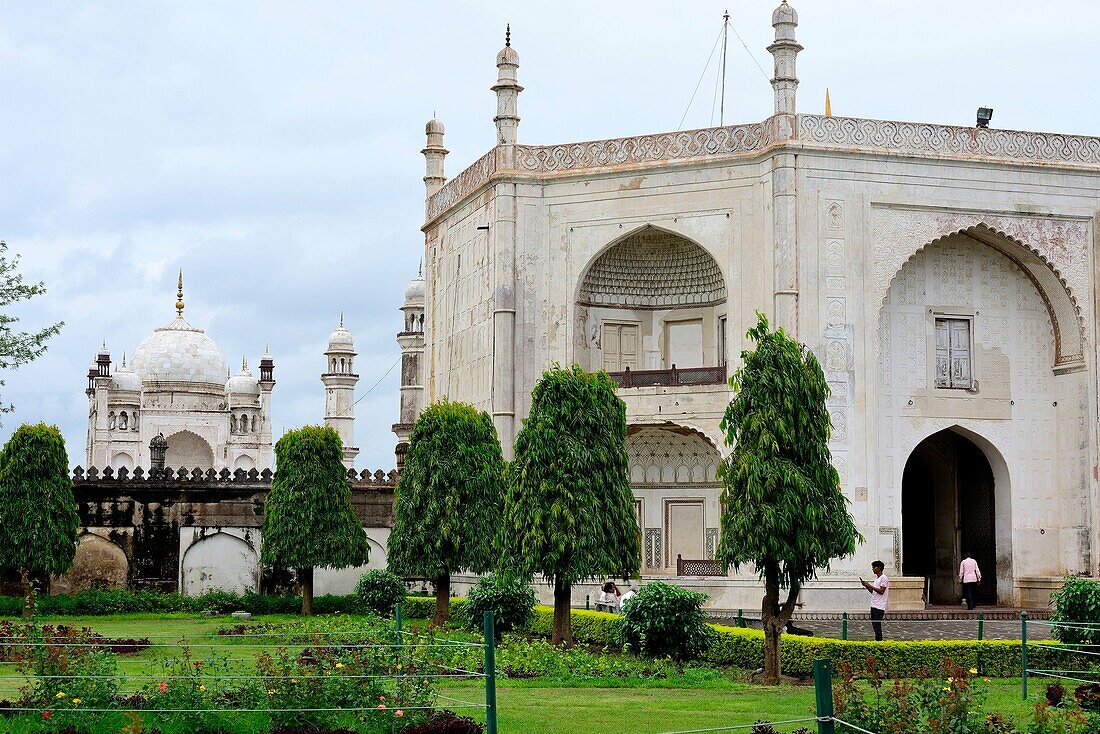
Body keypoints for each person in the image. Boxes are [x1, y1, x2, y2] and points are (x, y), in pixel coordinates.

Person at [859, 560, 889, 641]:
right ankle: (877, 640)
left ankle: (879, 641)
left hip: (879, 606)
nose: (872, 569)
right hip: (874, 604)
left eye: (874, 567)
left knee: (877, 625)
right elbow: (873, 592)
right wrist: (866, 586)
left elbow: (881, 591)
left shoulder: (884, 578)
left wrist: (869, 585)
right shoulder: (876, 578)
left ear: (879, 568)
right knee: (874, 625)